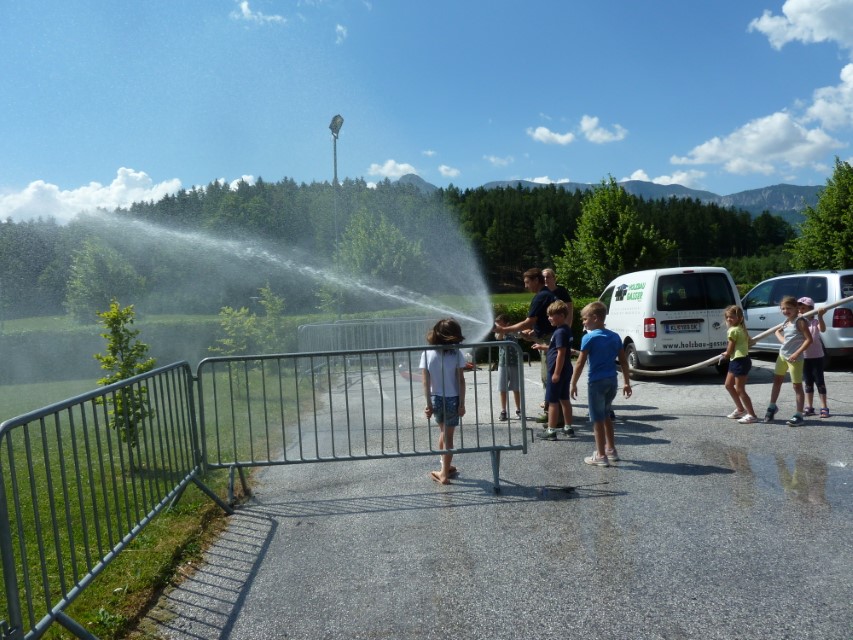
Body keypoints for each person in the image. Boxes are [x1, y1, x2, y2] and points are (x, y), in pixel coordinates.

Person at [490, 268, 557, 424]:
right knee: (548, 378)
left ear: (536, 280)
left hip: (548, 341)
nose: (526, 286)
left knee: (548, 378)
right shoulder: (547, 295)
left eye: (527, 282)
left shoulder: (541, 297)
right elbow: (543, 322)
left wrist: (504, 329)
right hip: (547, 339)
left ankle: (553, 416)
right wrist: (533, 333)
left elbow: (529, 321)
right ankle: (552, 413)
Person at [570, 301, 632, 466]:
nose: (583, 322)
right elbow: (623, 361)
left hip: (596, 382)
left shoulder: (588, 338)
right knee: (606, 415)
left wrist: (573, 383)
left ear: (595, 318)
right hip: (612, 381)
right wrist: (627, 383)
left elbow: (580, 363)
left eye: (585, 319)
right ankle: (611, 449)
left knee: (597, 419)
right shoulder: (615, 336)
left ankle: (601, 456)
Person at [420, 318, 467, 484]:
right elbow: (461, 380)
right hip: (453, 398)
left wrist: (428, 404)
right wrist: (462, 404)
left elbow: (425, 382)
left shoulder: (427, 353)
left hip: (436, 398)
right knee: (448, 437)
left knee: (443, 432)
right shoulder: (456, 354)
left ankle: (444, 467)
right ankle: (444, 474)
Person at [764, 295, 812, 426]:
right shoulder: (786, 322)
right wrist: (777, 333)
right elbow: (786, 342)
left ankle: (799, 414)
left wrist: (797, 353)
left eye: (789, 308)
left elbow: (809, 340)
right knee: (777, 381)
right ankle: (772, 406)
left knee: (797, 386)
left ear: (796, 308)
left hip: (795, 359)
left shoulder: (800, 321)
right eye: (783, 308)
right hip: (783, 356)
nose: (786, 311)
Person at [531, 300, 574, 440]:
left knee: (553, 401)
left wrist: (556, 373)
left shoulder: (560, 332)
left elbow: (561, 353)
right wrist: (543, 347)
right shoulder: (565, 329)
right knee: (565, 399)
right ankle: (568, 428)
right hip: (566, 369)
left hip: (557, 370)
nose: (549, 318)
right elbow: (557, 348)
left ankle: (551, 431)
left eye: (551, 315)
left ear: (561, 316)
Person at [720, 305, 758, 424]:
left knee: (740, 389)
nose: (729, 319)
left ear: (740, 318)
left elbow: (731, 347)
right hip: (737, 360)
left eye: (732, 317)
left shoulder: (733, 330)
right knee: (728, 385)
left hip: (740, 361)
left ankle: (752, 415)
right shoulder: (741, 329)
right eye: (727, 317)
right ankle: (740, 409)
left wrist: (726, 354)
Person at [797, 296, 830, 418]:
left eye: (803, 308)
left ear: (811, 309)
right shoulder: (799, 323)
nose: (800, 310)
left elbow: (823, 329)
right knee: (808, 382)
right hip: (804, 357)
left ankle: (824, 407)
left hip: (817, 357)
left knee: (819, 382)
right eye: (799, 308)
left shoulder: (815, 322)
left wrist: (820, 316)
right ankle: (809, 407)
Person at [493, 314, 522, 421]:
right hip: (503, 364)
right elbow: (499, 337)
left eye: (500, 324)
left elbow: (521, 335)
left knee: (516, 388)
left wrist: (523, 332)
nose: (498, 326)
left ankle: (518, 409)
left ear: (507, 323)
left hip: (515, 363)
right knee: (502, 388)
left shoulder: (513, 331)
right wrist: (501, 330)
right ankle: (503, 411)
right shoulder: (498, 333)